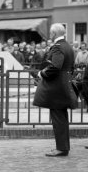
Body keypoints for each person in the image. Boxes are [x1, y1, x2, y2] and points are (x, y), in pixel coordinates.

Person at [33, 23, 78, 157]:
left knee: (58, 120)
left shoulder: (58, 48)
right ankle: (63, 147)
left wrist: (42, 74)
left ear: (53, 34)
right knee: (61, 119)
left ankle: (61, 148)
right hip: (63, 86)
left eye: (51, 33)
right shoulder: (68, 46)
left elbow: (55, 67)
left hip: (57, 88)